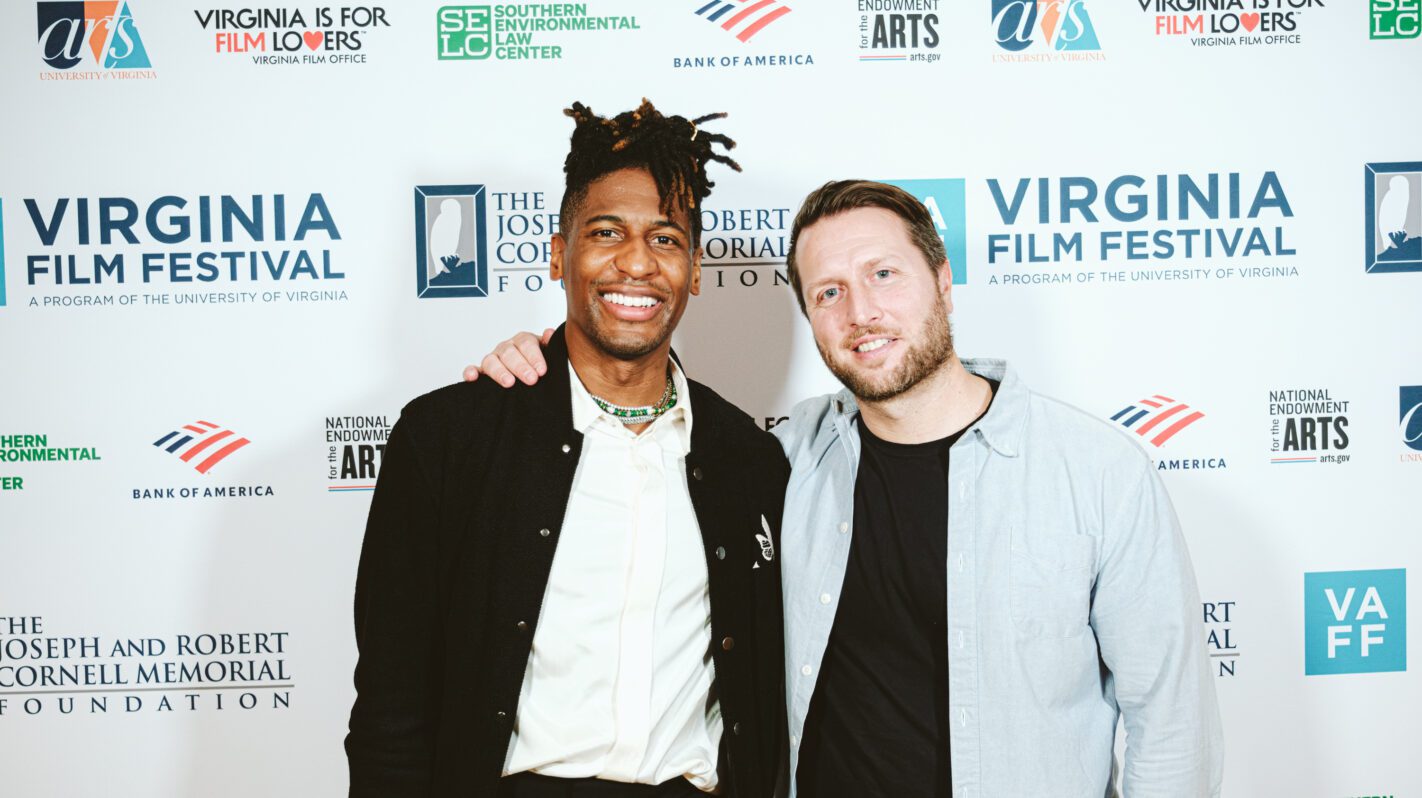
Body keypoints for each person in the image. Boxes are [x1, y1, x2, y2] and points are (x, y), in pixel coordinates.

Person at [467, 179, 1225, 797]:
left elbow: (1171, 727)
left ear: (943, 282)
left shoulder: (1095, 474)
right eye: (828, 293)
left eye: (883, 275)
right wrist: (533, 367)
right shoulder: (782, 460)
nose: (861, 313)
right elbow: (631, 411)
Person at [346, 100, 789, 798]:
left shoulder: (750, 461)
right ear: (558, 253)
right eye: (606, 232)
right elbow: (390, 705)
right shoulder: (450, 438)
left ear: (697, 269)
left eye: (666, 239)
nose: (636, 263)